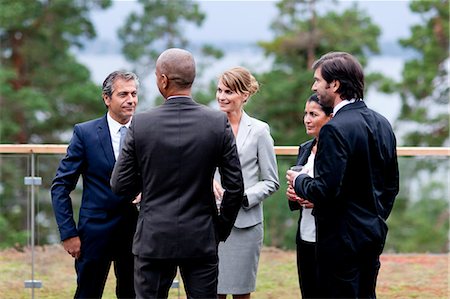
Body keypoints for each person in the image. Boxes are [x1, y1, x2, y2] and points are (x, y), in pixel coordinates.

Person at [110, 48, 244, 299]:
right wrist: (219, 228)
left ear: (163, 79)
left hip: (153, 236)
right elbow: (235, 186)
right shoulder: (217, 123)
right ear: (192, 78)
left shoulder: (141, 123)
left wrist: (147, 186)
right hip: (201, 235)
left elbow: (119, 184)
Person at [286, 51, 399, 298]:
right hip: (372, 234)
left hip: (339, 241)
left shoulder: (335, 129)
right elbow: (391, 186)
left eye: (317, 80)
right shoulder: (382, 123)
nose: (314, 86)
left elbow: (325, 190)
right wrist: (376, 218)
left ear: (334, 84)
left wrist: (300, 180)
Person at [51, 70, 140, 298]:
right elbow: (61, 186)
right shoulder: (85, 133)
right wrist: (68, 233)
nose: (131, 99)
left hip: (137, 232)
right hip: (95, 234)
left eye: (134, 93)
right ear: (107, 98)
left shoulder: (147, 130)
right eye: (123, 94)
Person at [213, 66, 280, 299]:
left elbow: (271, 180)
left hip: (245, 224)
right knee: (212, 292)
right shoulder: (207, 125)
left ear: (245, 95)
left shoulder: (260, 131)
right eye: (219, 90)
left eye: (229, 91)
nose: (222, 96)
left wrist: (243, 197)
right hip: (208, 221)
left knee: (241, 293)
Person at [287, 93, 332, 298]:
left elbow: (339, 190)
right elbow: (300, 186)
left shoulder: (336, 151)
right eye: (305, 114)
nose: (307, 119)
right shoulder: (305, 148)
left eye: (313, 114)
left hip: (329, 235)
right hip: (304, 234)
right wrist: (293, 195)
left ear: (330, 117)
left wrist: (316, 199)